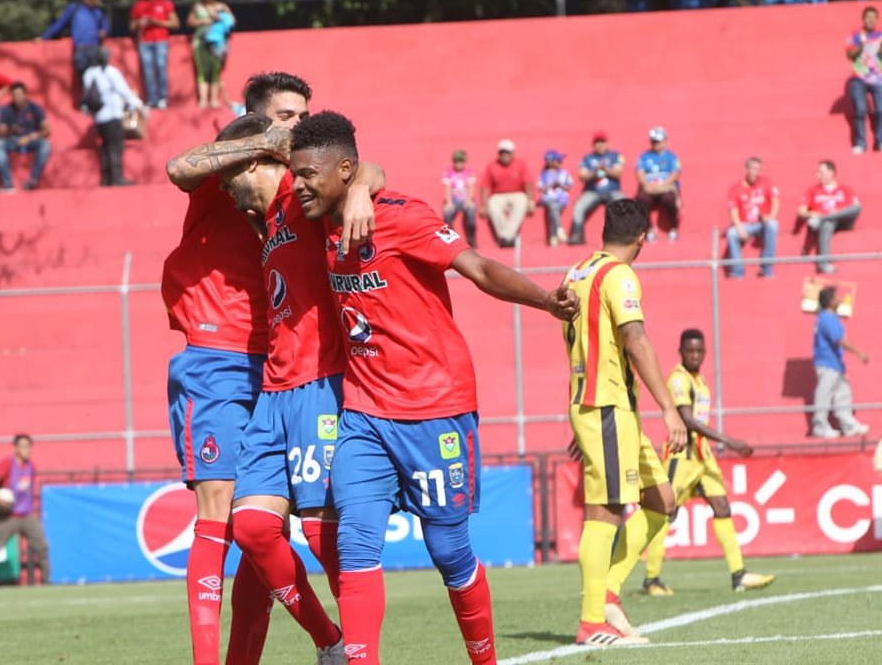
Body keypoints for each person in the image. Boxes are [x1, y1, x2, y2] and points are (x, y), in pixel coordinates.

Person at [288, 111, 578, 665]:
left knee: (448, 551)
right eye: (294, 173)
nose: (298, 183)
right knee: (355, 544)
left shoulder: (403, 218)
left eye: (308, 174)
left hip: (435, 408)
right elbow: (362, 170)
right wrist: (357, 190)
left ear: (342, 170)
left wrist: (546, 301)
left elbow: (478, 268)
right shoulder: (317, 215)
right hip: (364, 413)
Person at [162, 72, 378, 665]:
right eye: (287, 115)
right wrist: (264, 142)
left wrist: (359, 188)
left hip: (288, 368)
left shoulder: (299, 192)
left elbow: (365, 172)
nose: (297, 125)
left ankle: (329, 645)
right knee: (220, 514)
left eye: (303, 116)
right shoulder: (229, 169)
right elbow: (179, 167)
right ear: (257, 121)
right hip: (221, 353)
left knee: (267, 531)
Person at [561, 199, 688, 647]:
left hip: (608, 408)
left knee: (662, 501)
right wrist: (670, 408)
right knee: (606, 511)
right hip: (607, 407)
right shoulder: (619, 275)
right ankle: (591, 621)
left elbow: (584, 344)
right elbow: (635, 339)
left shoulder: (575, 272)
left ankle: (608, 594)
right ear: (642, 239)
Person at [641, 329, 775, 596]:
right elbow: (688, 421)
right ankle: (651, 578)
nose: (695, 355)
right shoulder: (679, 380)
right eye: (690, 350)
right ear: (681, 352)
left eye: (699, 351)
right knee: (666, 514)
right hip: (682, 456)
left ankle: (739, 574)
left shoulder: (699, 380)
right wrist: (729, 440)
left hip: (703, 457)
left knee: (722, 507)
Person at [0, 434, 50, 585]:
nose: (27, 450)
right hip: (9, 515)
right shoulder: (7, 463)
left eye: (29, 447)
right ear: (16, 448)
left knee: (42, 547)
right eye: (23, 446)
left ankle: (46, 581)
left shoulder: (31, 466)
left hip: (27, 514)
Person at [811, 286, 870, 438]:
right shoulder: (827, 318)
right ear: (830, 301)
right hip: (827, 363)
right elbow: (839, 340)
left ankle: (848, 425)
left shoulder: (827, 317)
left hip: (835, 364)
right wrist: (859, 353)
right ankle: (820, 426)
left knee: (843, 394)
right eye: (836, 296)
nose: (840, 298)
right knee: (824, 395)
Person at [83, 49, 142, 187]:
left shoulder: (88, 73)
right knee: (116, 146)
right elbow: (123, 90)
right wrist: (136, 104)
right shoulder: (110, 72)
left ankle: (105, 178)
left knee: (105, 146)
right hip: (112, 114)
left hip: (98, 117)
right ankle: (116, 177)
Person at [798, 160, 862, 274]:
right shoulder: (812, 190)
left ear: (831, 172)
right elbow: (801, 212)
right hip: (826, 225)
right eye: (818, 172)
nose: (818, 175)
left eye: (821, 172)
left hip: (843, 221)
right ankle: (823, 264)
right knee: (827, 224)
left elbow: (854, 208)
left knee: (857, 207)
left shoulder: (846, 189)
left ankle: (825, 218)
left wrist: (833, 213)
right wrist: (813, 214)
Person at [39, 0, 109, 81]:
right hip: (80, 49)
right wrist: (44, 37)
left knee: (98, 79)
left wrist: (104, 32)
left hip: (95, 48)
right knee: (85, 78)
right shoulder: (75, 9)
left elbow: (105, 27)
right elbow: (60, 23)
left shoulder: (98, 12)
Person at [725, 157, 780, 279]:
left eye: (758, 169)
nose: (756, 172)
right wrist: (739, 227)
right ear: (746, 169)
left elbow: (775, 201)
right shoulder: (735, 188)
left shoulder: (766, 182)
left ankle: (766, 267)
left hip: (762, 222)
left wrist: (771, 217)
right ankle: (738, 270)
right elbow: (733, 211)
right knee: (731, 233)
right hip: (746, 224)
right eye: (753, 169)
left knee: (773, 224)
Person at [568, 132, 625, 246]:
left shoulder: (615, 156)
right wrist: (594, 172)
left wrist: (605, 169)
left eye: (602, 142)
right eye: (597, 143)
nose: (600, 145)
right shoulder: (588, 158)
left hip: (612, 190)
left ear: (607, 143)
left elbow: (618, 173)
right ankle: (577, 234)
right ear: (593, 144)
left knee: (624, 204)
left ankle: (624, 235)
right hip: (593, 191)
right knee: (579, 206)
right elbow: (582, 175)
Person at [130, 0, 179, 109]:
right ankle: (152, 99)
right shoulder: (138, 5)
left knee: (161, 68)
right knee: (148, 71)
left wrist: (156, 22)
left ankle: (163, 98)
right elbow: (132, 26)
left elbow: (175, 23)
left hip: (161, 40)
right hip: (144, 42)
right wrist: (139, 23)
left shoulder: (165, 3)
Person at [0, 82, 52, 191]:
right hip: (12, 140)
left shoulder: (35, 108)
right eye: (14, 95)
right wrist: (9, 130)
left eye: (20, 94)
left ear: (25, 95)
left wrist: (32, 137)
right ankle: (7, 183)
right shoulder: (6, 110)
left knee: (45, 144)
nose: (17, 97)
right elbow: (1, 132)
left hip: (31, 139)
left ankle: (33, 179)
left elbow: (47, 130)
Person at [188, 0, 235, 109]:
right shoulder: (198, 6)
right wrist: (205, 20)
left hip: (218, 43)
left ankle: (214, 99)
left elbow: (232, 21)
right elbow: (190, 21)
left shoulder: (222, 6)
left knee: (215, 70)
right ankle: (203, 100)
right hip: (201, 42)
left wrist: (219, 16)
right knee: (202, 71)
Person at [479, 139, 534, 247]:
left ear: (512, 153)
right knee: (492, 204)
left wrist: (531, 200)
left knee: (523, 200)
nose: (505, 155)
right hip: (498, 195)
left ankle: (506, 237)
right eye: (502, 152)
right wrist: (484, 204)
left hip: (517, 194)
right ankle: (508, 237)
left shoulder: (520, 164)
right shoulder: (492, 165)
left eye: (507, 152)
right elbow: (485, 186)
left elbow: (528, 183)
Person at [845, 5, 882, 153]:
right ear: (863, 19)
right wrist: (861, 43)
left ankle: (880, 142)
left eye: (874, 17)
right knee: (860, 110)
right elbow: (849, 55)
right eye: (868, 17)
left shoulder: (881, 35)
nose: (871, 20)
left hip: (878, 78)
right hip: (859, 78)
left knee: (881, 110)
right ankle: (860, 143)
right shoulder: (855, 34)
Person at [635, 127, 682, 242]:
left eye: (658, 141)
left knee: (669, 199)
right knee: (641, 199)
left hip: (666, 187)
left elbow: (675, 174)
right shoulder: (644, 156)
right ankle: (649, 229)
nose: (655, 144)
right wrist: (646, 185)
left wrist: (663, 186)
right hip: (649, 188)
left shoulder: (671, 157)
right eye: (653, 141)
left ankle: (673, 227)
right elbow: (639, 173)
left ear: (665, 141)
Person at [442, 150, 477, 249]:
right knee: (447, 213)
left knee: (470, 212)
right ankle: (450, 239)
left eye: (461, 161)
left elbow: (471, 186)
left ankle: (471, 237)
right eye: (457, 161)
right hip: (454, 199)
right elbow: (447, 187)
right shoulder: (448, 172)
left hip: (466, 198)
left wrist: (469, 200)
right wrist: (449, 202)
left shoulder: (469, 172)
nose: (459, 164)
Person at [537, 149, 573, 246]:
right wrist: (551, 185)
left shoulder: (564, 173)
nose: (560, 162)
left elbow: (569, 186)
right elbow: (541, 189)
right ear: (550, 161)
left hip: (561, 199)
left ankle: (553, 236)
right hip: (548, 199)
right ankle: (559, 229)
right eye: (558, 160)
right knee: (553, 207)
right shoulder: (543, 174)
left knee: (553, 210)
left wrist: (560, 185)